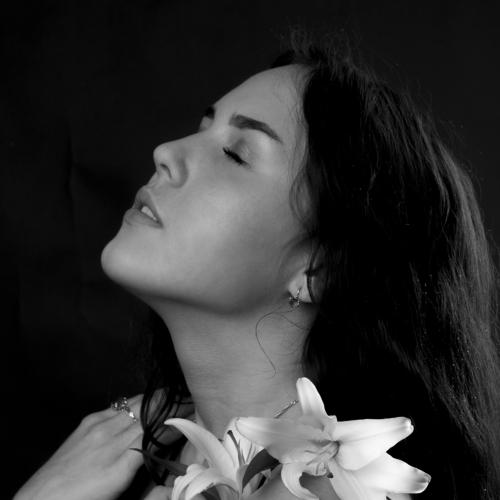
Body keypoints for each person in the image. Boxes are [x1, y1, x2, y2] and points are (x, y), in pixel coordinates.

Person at [14, 28, 500, 500]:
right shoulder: (145, 443)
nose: (166, 152)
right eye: (202, 128)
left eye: (235, 154)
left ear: (316, 270)